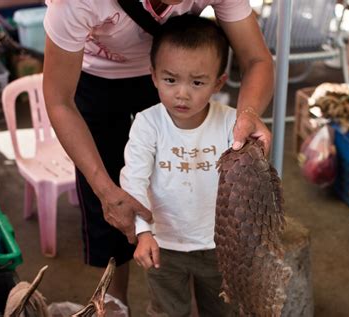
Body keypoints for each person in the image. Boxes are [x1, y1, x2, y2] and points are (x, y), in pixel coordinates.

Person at [42, 0, 274, 306]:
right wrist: (105, 189)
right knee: (112, 200)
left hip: (171, 71)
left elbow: (257, 59)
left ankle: (199, 287)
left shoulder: (182, 87)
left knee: (182, 174)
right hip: (98, 79)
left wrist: (247, 114)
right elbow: (59, 100)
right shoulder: (76, 3)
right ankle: (114, 303)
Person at [120, 14, 235, 315]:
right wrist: (143, 231)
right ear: (154, 76)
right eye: (170, 80)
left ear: (218, 82)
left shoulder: (231, 122)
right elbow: (134, 179)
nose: (182, 93)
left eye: (197, 82)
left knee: (224, 311)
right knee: (168, 311)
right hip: (163, 245)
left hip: (220, 245)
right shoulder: (148, 123)